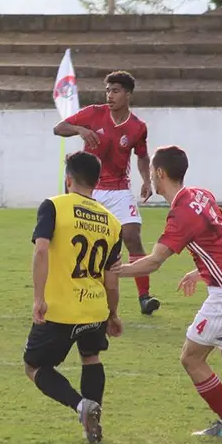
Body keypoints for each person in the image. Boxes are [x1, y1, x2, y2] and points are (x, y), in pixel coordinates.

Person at [113, 145, 222, 438]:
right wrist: (201, 269)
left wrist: (112, 271)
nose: (150, 175)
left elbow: (154, 262)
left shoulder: (180, 215)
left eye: (151, 170)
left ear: (159, 173)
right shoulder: (201, 194)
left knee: (191, 358)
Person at [23, 150, 123, 444]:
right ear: (97, 181)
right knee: (90, 357)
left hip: (60, 309)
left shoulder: (53, 206)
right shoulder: (112, 222)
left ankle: (82, 407)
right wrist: (113, 314)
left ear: (68, 179)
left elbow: (41, 250)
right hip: (95, 308)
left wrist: (38, 298)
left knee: (34, 366)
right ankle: (92, 425)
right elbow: (112, 277)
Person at [54, 70, 161, 316]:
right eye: (108, 91)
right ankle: (74, 293)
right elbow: (59, 128)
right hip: (90, 190)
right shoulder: (94, 113)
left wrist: (146, 180)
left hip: (120, 190)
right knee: (81, 242)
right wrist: (80, 130)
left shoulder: (137, 127)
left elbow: (142, 155)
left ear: (128, 94)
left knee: (132, 236)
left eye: (115, 91)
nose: (110, 96)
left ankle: (145, 297)